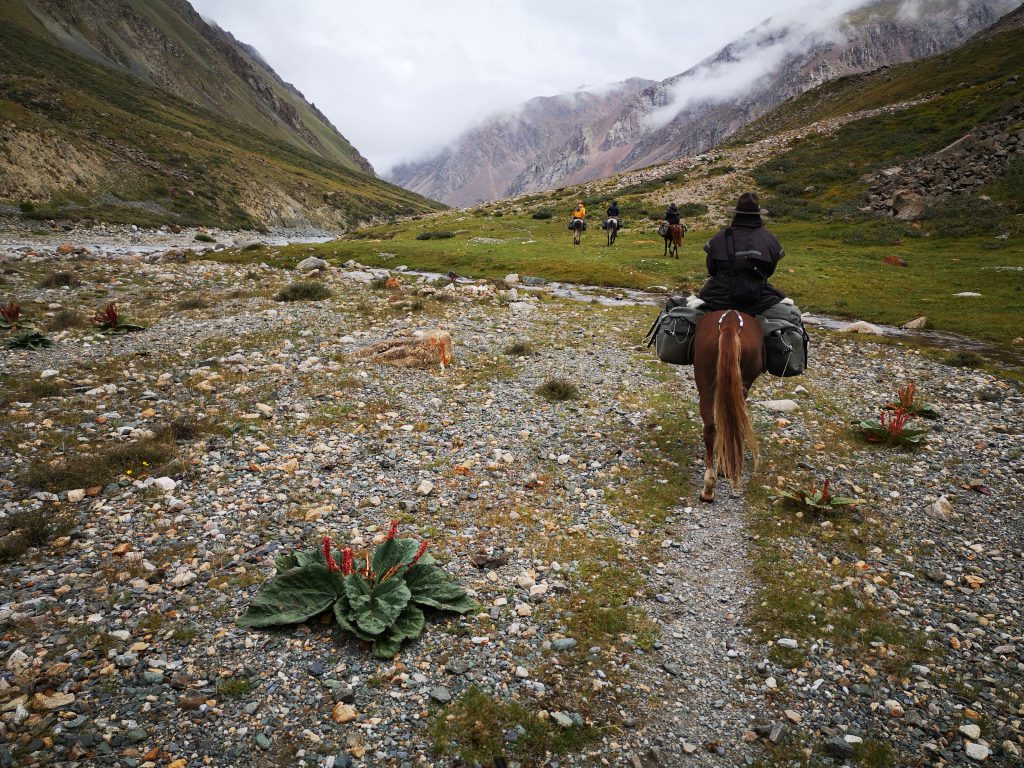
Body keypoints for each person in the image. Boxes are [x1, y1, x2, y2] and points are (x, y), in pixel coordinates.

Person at [698, 191, 786, 315]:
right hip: (758, 299)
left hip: (718, 298)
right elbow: (769, 271)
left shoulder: (720, 237)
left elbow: (712, 269)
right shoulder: (768, 238)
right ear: (758, 214)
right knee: (790, 315)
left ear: (736, 213)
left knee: (691, 313)